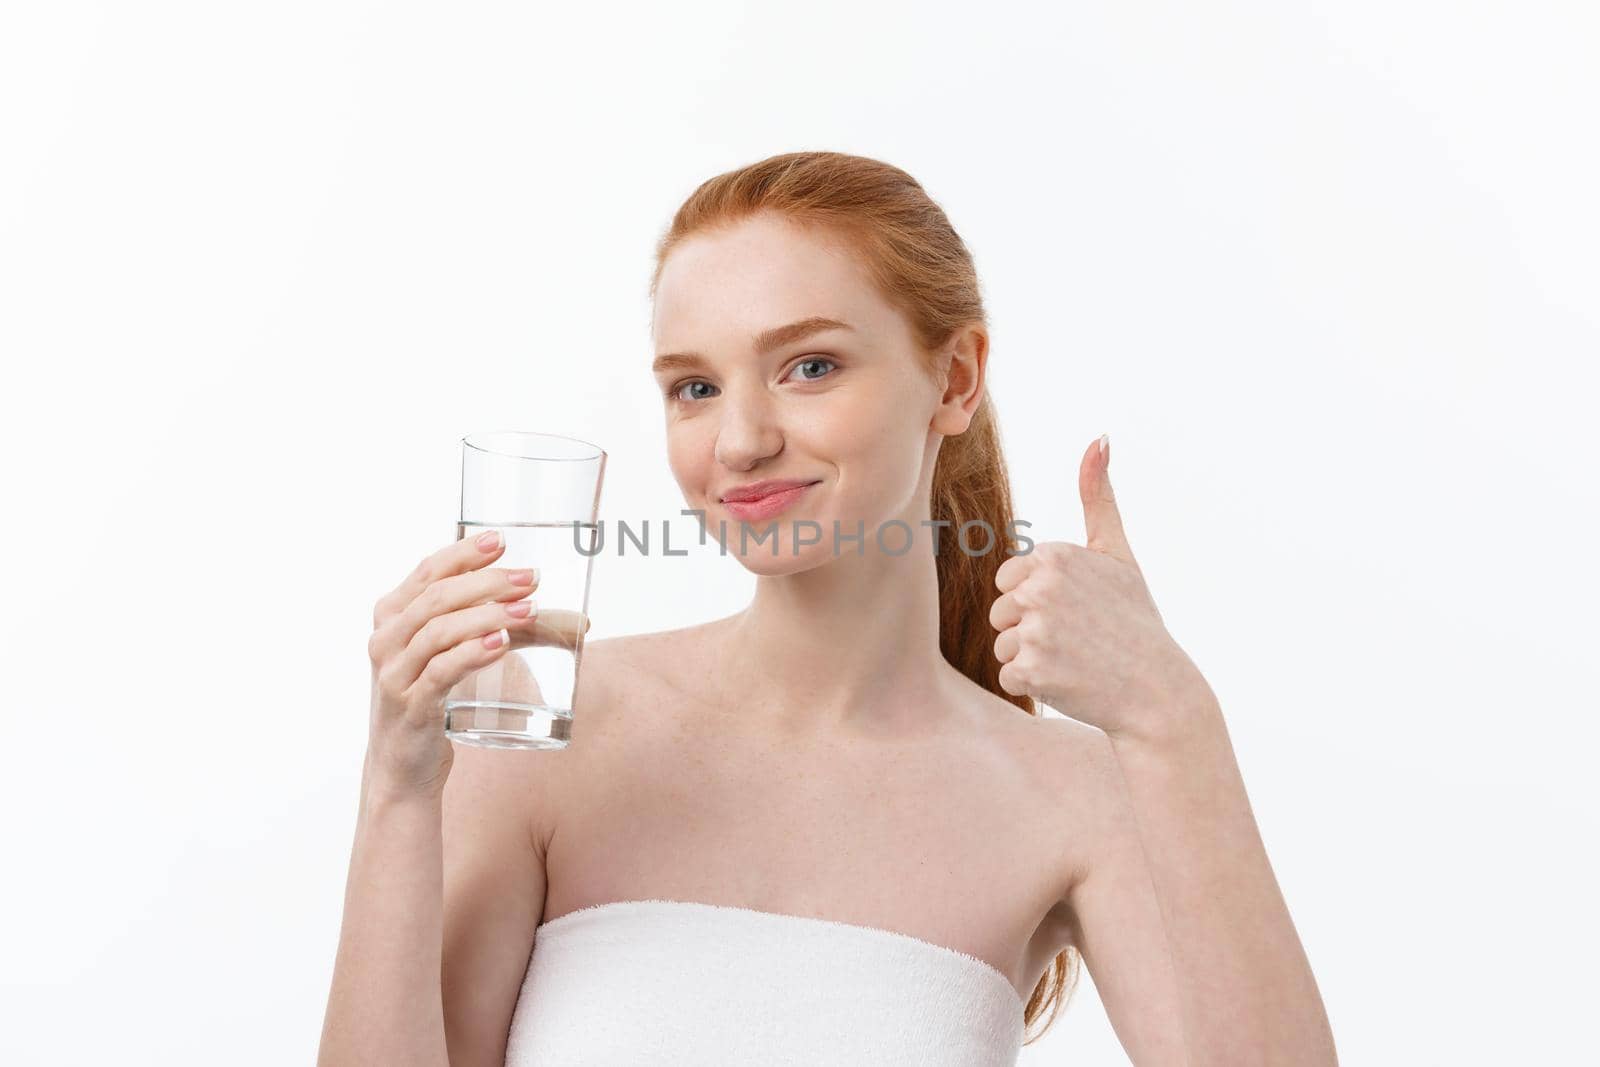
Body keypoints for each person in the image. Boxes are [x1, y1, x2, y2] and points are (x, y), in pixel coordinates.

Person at [317, 151, 1337, 1066]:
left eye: (809, 366)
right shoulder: (543, 724)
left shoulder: (1073, 796)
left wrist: (1171, 717)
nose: (741, 440)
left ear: (956, 377)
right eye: (694, 386)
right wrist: (396, 796)